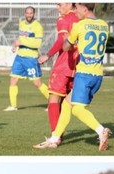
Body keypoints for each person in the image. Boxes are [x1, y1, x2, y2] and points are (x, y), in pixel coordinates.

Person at [33, 3, 112, 151]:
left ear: (84, 9)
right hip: (98, 75)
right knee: (66, 104)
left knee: (77, 109)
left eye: (77, 8)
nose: (76, 11)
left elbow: (65, 46)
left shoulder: (80, 26)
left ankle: (101, 131)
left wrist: (70, 38)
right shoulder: (104, 25)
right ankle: (55, 138)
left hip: (84, 74)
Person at [37, 3, 79, 142]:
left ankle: (55, 135)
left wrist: (47, 55)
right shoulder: (82, 18)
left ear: (69, 3)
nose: (57, 7)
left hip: (64, 64)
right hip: (79, 65)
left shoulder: (63, 19)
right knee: (68, 102)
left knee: (54, 99)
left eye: (60, 4)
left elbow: (62, 39)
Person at [5, 6, 49, 111]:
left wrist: (22, 42)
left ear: (34, 14)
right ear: (24, 13)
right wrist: (15, 45)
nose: (29, 15)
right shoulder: (21, 23)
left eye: (31, 13)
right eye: (27, 13)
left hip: (31, 58)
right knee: (13, 80)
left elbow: (37, 44)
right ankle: (13, 106)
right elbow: (21, 39)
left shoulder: (37, 26)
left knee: (37, 83)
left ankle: (53, 103)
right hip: (20, 57)